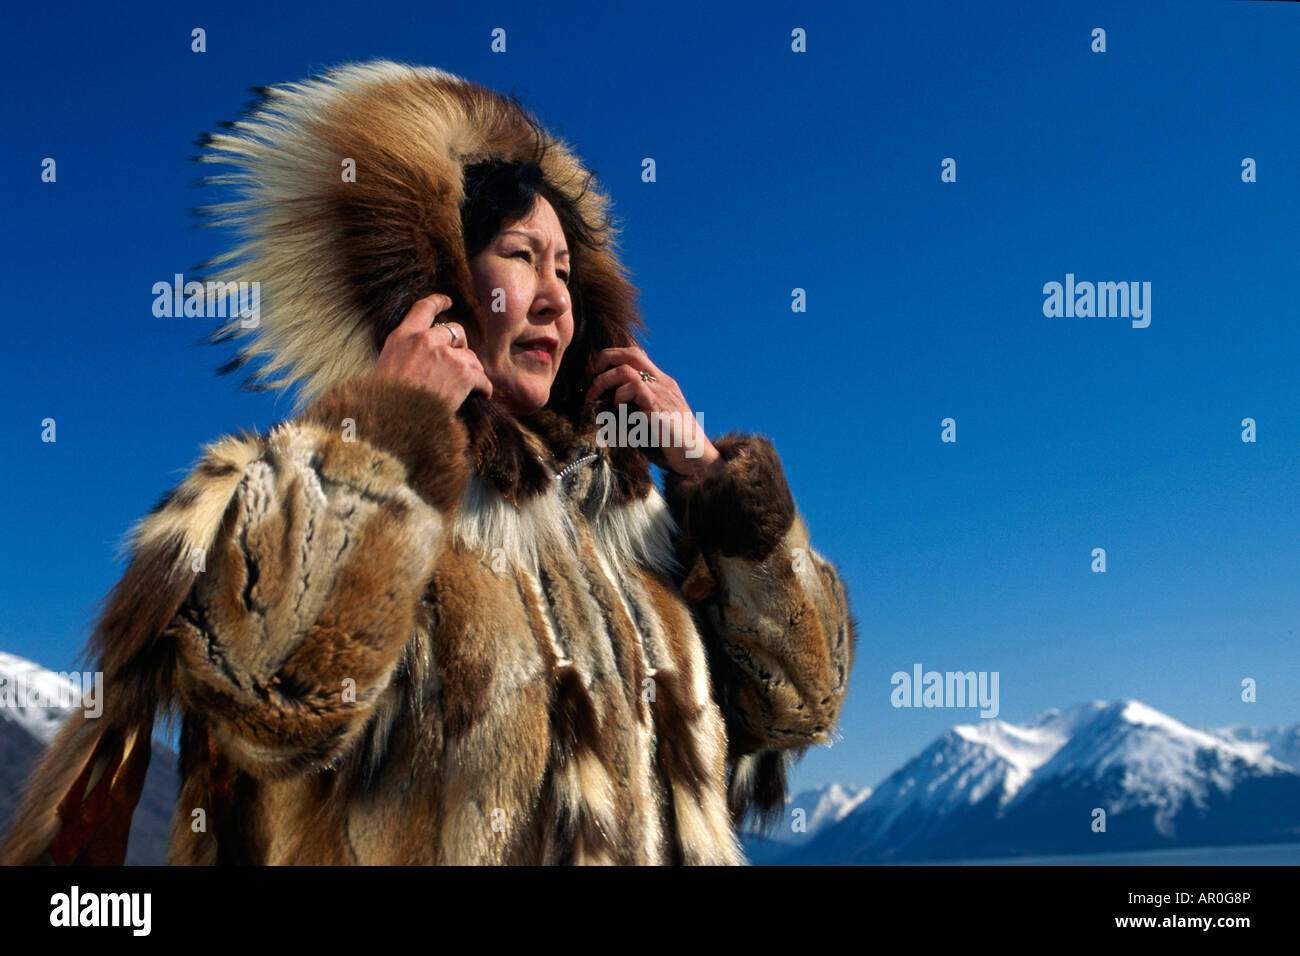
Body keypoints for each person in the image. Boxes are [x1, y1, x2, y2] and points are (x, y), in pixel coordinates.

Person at [1, 60, 855, 865]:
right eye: (520, 257)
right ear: (441, 277)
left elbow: (800, 704)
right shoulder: (299, 500)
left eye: (566, 269)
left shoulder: (641, 538)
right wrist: (384, 444)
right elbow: (273, 706)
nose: (556, 293)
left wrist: (714, 483)